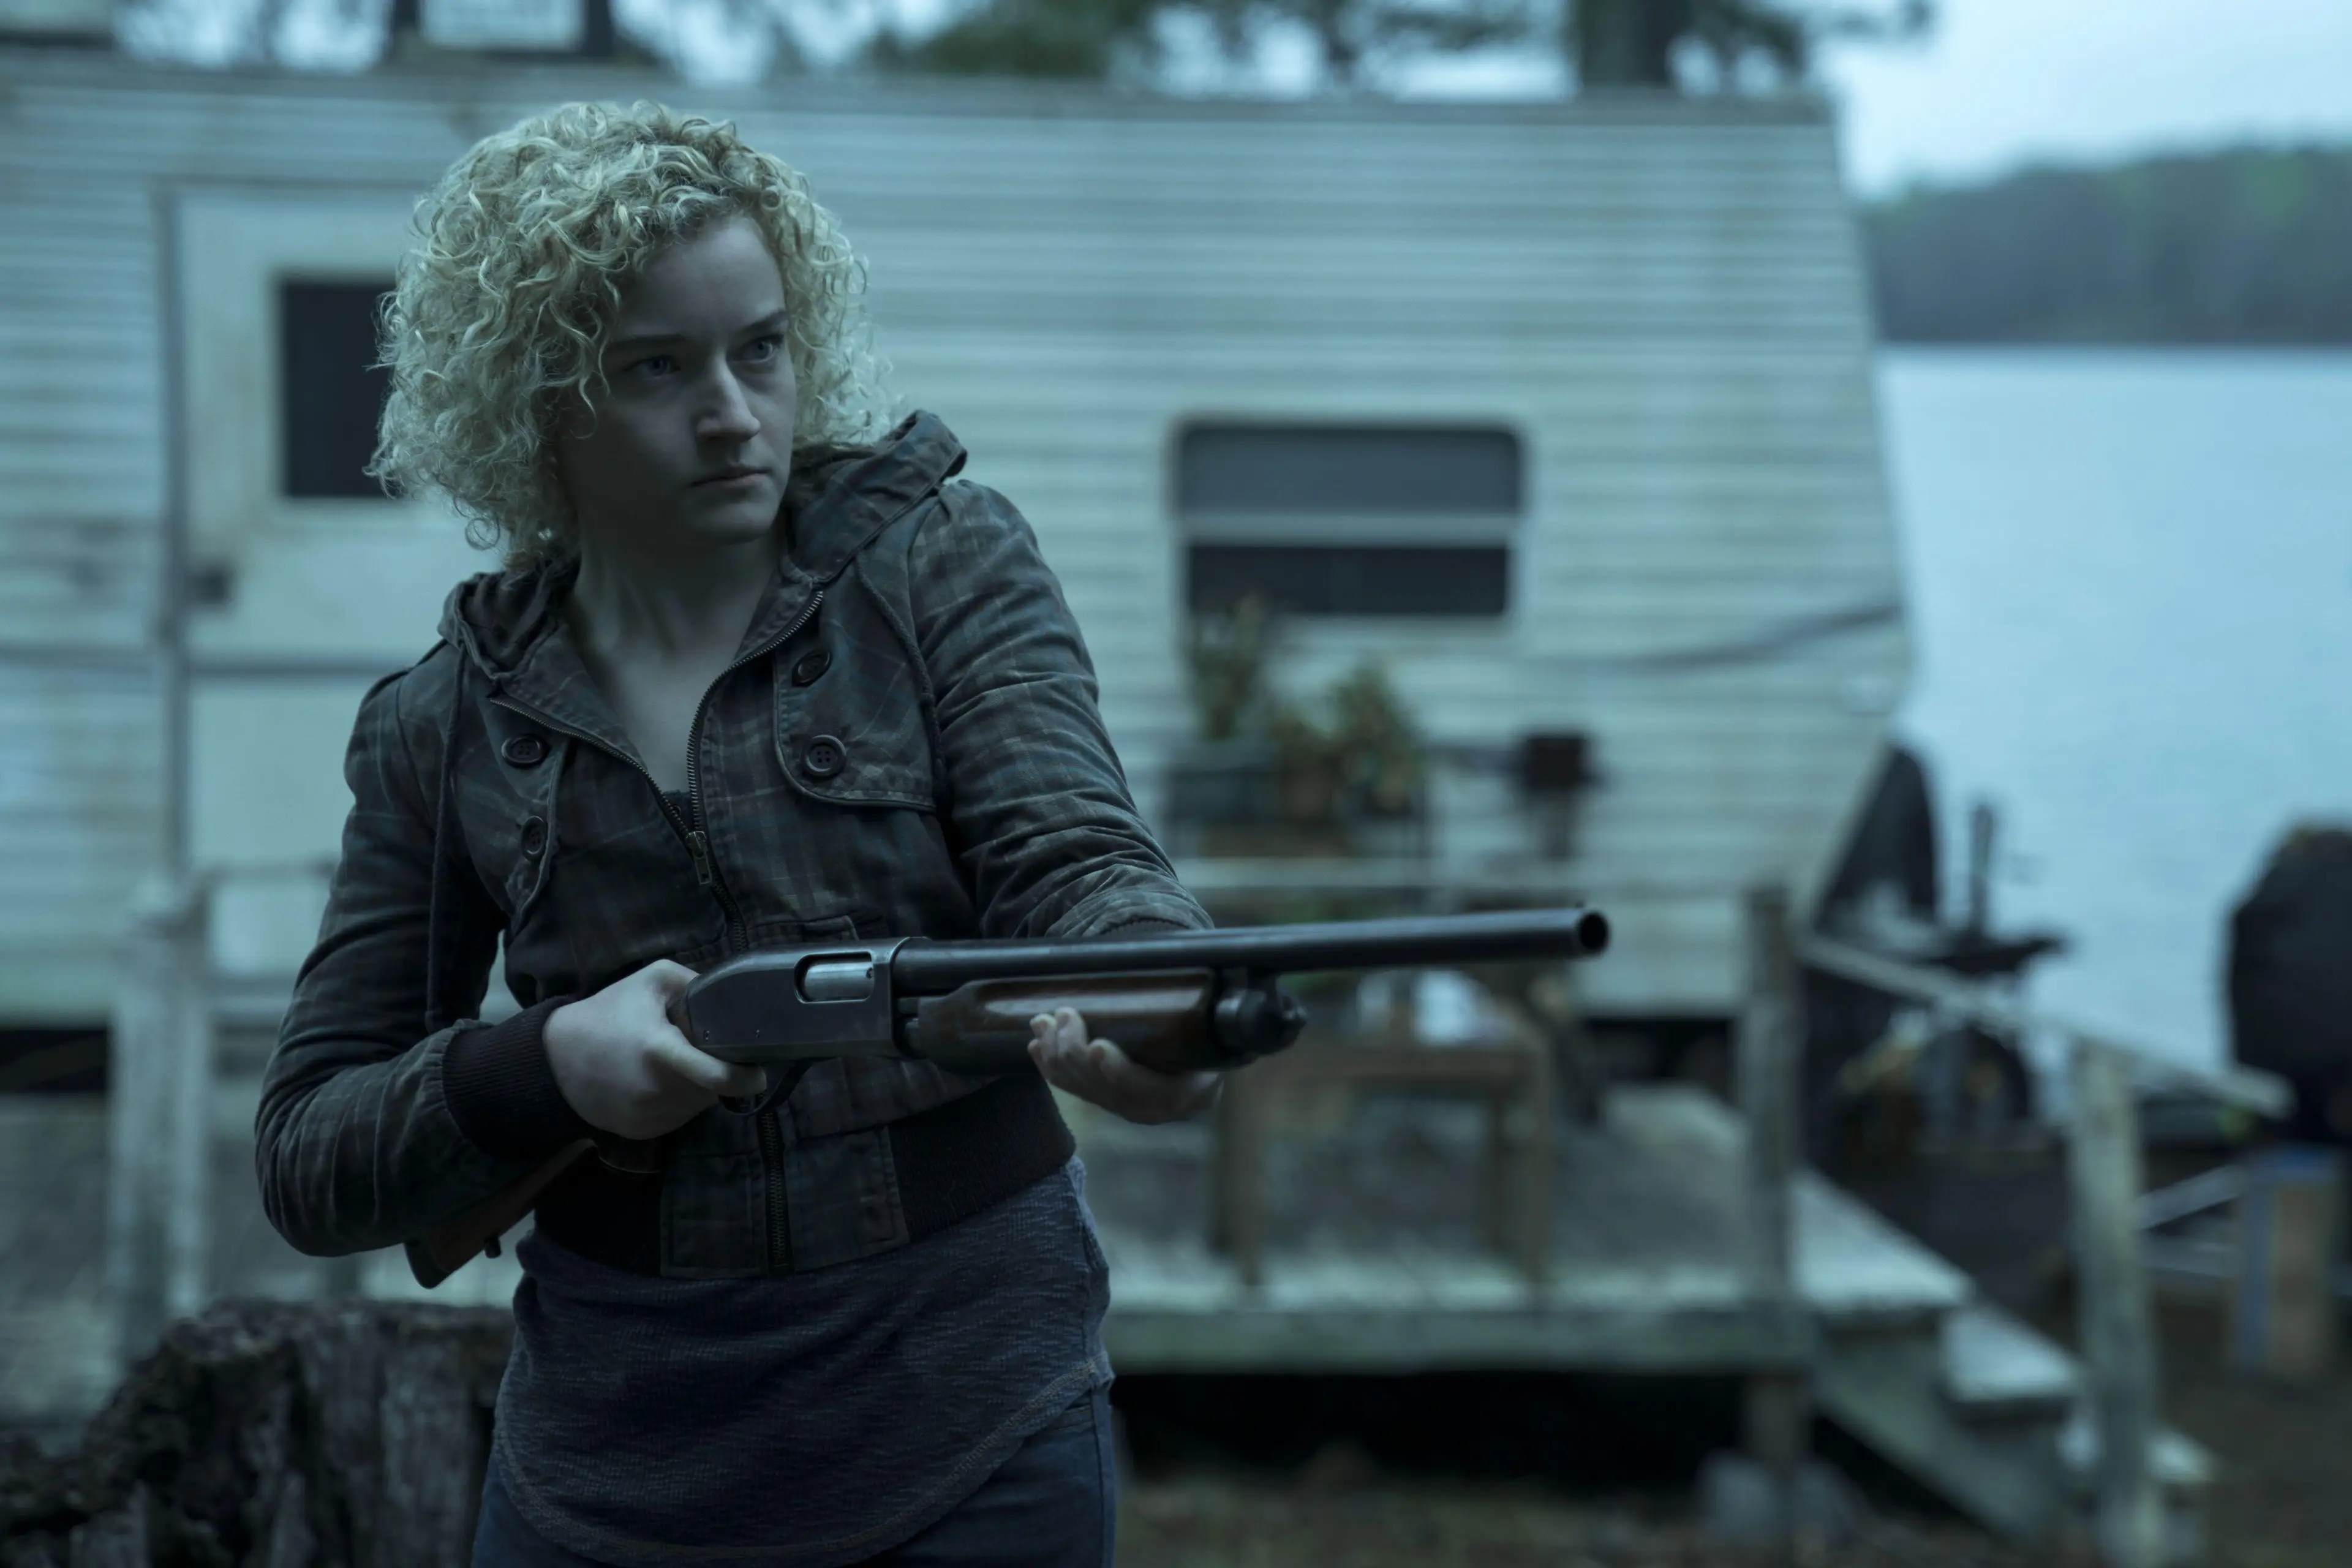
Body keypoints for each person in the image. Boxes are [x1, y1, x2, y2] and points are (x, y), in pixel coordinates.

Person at [254, 100, 1221, 1568]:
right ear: (539, 401)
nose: (733, 413)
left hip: (973, 1408)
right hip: (615, 1457)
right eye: (659, 367)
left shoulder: (942, 561)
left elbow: (1080, 863)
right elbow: (309, 1150)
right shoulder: (437, 725)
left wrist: (1161, 996)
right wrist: (548, 1064)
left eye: (760, 349)